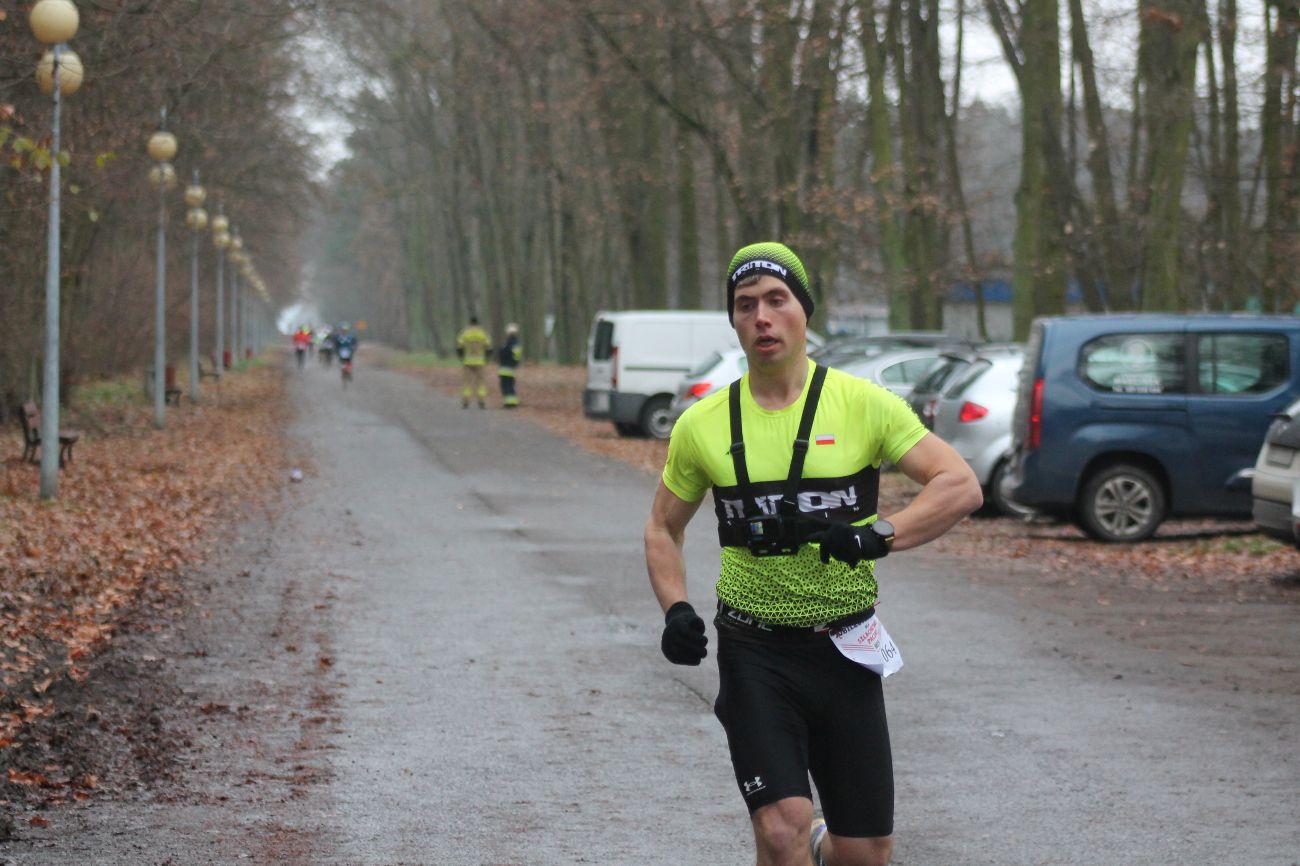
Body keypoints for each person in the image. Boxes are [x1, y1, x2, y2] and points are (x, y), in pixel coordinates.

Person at [643, 242, 982, 866]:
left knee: (865, 854)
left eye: (777, 300)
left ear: (805, 310)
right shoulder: (702, 424)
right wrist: (676, 610)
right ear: (734, 321)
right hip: (754, 649)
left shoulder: (864, 404)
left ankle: (827, 846)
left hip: (846, 646)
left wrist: (879, 535)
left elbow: (959, 484)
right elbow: (663, 528)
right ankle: (799, 839)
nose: (762, 317)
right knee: (781, 828)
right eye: (746, 305)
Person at [456, 315, 492, 409]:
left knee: (467, 381)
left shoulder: (465, 333)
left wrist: (461, 357)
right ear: (477, 323)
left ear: (470, 323)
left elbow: (459, 346)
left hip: (467, 361)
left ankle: (466, 401)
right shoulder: (482, 333)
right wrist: (487, 358)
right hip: (480, 361)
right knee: (480, 381)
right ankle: (481, 401)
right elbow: (488, 347)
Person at [497, 322, 522, 408]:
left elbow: (504, 353)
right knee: (510, 385)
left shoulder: (509, 343)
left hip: (505, 367)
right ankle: (513, 402)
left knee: (506, 385)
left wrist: (501, 351)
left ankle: (509, 403)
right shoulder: (516, 343)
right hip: (511, 367)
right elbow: (517, 356)